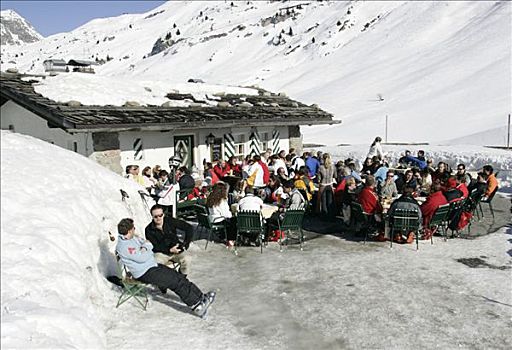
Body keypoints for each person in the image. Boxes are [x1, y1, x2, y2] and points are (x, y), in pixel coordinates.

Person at [116, 218, 215, 318]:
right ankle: (196, 305)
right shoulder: (124, 246)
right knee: (174, 282)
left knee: (178, 276)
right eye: (134, 228)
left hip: (152, 266)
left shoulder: (133, 238)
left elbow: (148, 244)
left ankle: (200, 296)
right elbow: (142, 257)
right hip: (145, 273)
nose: (135, 229)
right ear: (129, 231)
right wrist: (146, 248)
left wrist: (145, 248)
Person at [145, 205, 193, 275]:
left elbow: (188, 227)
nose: (158, 218)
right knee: (155, 264)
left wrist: (186, 243)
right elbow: (154, 246)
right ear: (152, 216)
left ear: (163, 214)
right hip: (161, 252)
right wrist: (169, 250)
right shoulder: (149, 229)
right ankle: (162, 282)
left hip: (176, 249)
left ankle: (182, 278)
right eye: (156, 216)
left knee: (187, 259)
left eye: (160, 215)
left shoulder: (170, 221)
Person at [206, 182, 236, 247]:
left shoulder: (210, 198)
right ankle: (231, 239)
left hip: (212, 219)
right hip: (219, 220)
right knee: (234, 220)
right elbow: (226, 214)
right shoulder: (221, 201)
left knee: (231, 220)